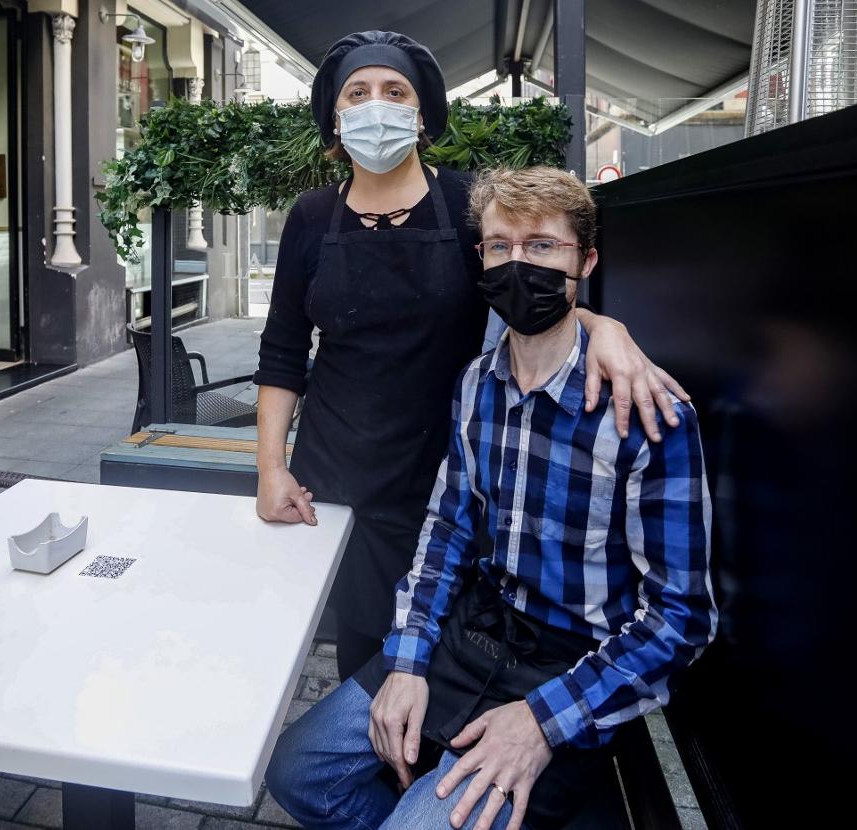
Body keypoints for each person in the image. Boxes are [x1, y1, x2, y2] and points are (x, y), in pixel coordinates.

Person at [264, 166, 717, 830]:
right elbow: (447, 530)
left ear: (584, 261)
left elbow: (682, 616)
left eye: (542, 246)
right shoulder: (477, 385)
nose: (518, 262)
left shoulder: (649, 414)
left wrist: (543, 721)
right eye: (500, 245)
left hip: (574, 667)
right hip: (472, 632)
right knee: (297, 771)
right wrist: (409, 662)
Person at [253, 31, 691, 681]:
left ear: (421, 115)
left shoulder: (465, 206)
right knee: (360, 658)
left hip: (445, 484)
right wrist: (268, 468)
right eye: (359, 93)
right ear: (337, 119)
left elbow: (531, 290)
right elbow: (284, 348)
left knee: (436, 658)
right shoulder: (312, 218)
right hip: (335, 483)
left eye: (394, 91)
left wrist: (605, 327)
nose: (378, 104)